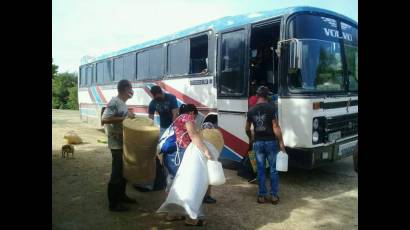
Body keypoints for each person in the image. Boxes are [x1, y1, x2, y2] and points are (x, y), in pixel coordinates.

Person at [164, 104, 212, 226]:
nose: (194, 119)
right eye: (195, 116)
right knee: (189, 185)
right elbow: (193, 135)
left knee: (176, 184)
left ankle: (173, 213)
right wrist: (206, 150)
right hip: (180, 154)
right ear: (192, 113)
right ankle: (192, 218)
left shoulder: (178, 118)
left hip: (172, 154)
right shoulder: (187, 117)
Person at [245, 86, 286, 205]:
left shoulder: (251, 111)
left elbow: (247, 128)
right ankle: (273, 196)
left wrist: (251, 138)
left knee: (261, 170)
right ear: (267, 96)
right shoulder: (271, 108)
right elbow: (276, 127)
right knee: (273, 170)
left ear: (257, 96)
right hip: (271, 143)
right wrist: (281, 143)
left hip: (258, 143)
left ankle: (261, 196)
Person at [101, 79, 137, 212]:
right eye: (131, 88)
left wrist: (129, 116)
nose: (132, 91)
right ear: (125, 88)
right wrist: (125, 118)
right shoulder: (114, 102)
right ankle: (114, 204)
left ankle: (122, 196)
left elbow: (123, 119)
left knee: (124, 171)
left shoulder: (123, 103)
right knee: (116, 173)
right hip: (116, 144)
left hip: (124, 142)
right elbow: (104, 119)